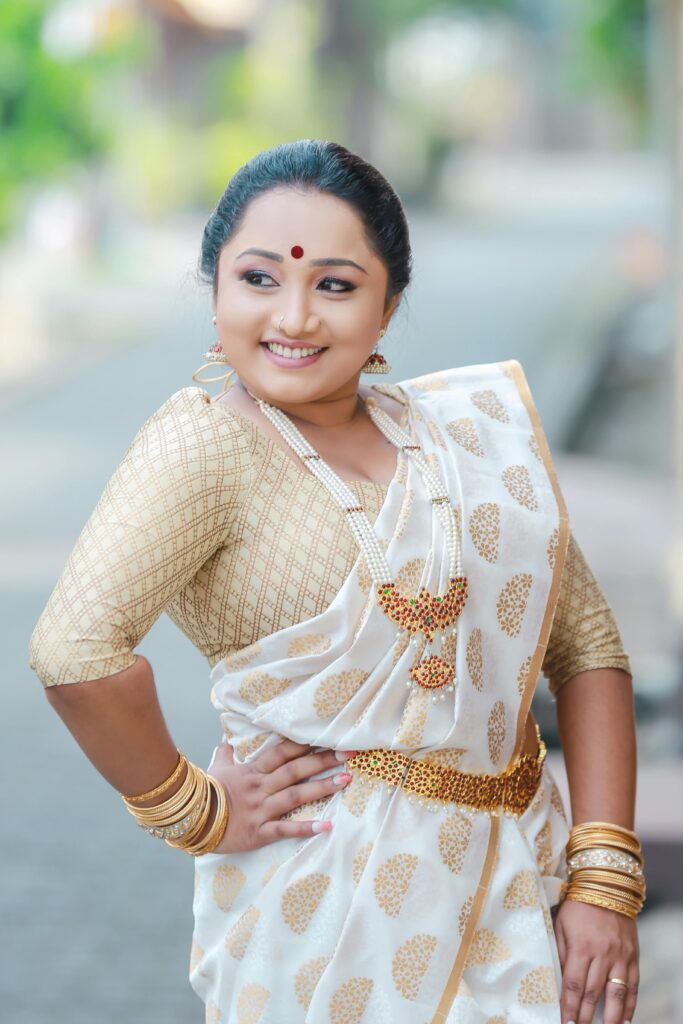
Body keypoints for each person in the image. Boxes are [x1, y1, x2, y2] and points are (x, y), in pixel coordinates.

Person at [29, 140, 642, 1024]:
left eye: (335, 285)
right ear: (214, 291)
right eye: (259, 279)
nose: (295, 317)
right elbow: (74, 652)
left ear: (388, 304)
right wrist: (193, 811)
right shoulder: (207, 445)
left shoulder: (462, 438)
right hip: (323, 908)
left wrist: (603, 876)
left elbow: (587, 648)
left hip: (522, 883)